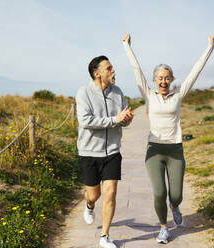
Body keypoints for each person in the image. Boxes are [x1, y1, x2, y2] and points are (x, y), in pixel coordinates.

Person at [122, 33, 214, 244]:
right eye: (159, 77)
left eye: (167, 77)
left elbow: (196, 70)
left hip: (175, 149)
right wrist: (127, 46)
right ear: (154, 80)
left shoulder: (179, 94)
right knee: (159, 193)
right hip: (154, 150)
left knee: (176, 195)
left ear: (171, 80)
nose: (163, 81)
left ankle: (175, 207)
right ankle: (163, 228)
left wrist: (209, 46)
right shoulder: (148, 94)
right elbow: (137, 70)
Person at [76, 55, 134, 248]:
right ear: (97, 73)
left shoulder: (118, 92)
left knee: (110, 194)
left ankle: (105, 236)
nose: (113, 71)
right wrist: (115, 120)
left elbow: (123, 118)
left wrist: (127, 118)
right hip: (89, 152)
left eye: (112, 67)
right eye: (109, 68)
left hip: (112, 152)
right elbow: (86, 121)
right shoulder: (83, 92)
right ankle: (89, 205)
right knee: (94, 195)